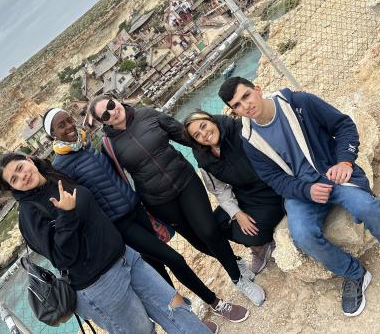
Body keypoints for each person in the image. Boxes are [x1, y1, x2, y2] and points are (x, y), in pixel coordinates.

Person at [218, 76, 380, 316]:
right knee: (303, 236)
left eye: (246, 96)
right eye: (237, 105)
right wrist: (306, 191)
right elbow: (274, 179)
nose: (246, 105)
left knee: (369, 208)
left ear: (258, 90)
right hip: (300, 192)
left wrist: (344, 162)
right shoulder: (250, 140)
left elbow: (344, 126)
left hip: (331, 173)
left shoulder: (298, 102)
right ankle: (354, 274)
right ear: (234, 111)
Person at [43, 107, 249, 323]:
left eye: (69, 120)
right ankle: (215, 303)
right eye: (61, 125)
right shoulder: (61, 167)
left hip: (137, 209)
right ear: (52, 135)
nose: (69, 126)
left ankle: (184, 319)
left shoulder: (87, 146)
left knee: (157, 271)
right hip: (120, 224)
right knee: (175, 259)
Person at [0, 152, 219, 334]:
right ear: (13, 189)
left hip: (125, 257)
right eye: (14, 179)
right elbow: (62, 258)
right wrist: (66, 215)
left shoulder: (54, 176)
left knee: (175, 306)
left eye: (20, 168)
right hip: (99, 285)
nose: (22, 176)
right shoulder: (29, 214)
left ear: (28, 160)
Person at [88, 94, 266, 307]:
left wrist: (218, 147)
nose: (112, 112)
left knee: (209, 231)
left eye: (111, 105)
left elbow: (185, 135)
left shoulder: (148, 115)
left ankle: (238, 280)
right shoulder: (108, 146)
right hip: (158, 201)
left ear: (117, 99)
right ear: (102, 122)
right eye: (105, 115)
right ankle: (235, 262)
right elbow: (116, 182)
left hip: (186, 182)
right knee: (197, 241)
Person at [183, 110, 285, 274]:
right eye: (197, 135)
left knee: (254, 232)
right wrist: (237, 213)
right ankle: (260, 248)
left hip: (270, 189)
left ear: (212, 120)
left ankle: (261, 243)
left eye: (203, 126)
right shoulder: (205, 160)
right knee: (215, 225)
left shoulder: (240, 129)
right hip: (244, 193)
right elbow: (220, 190)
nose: (204, 134)